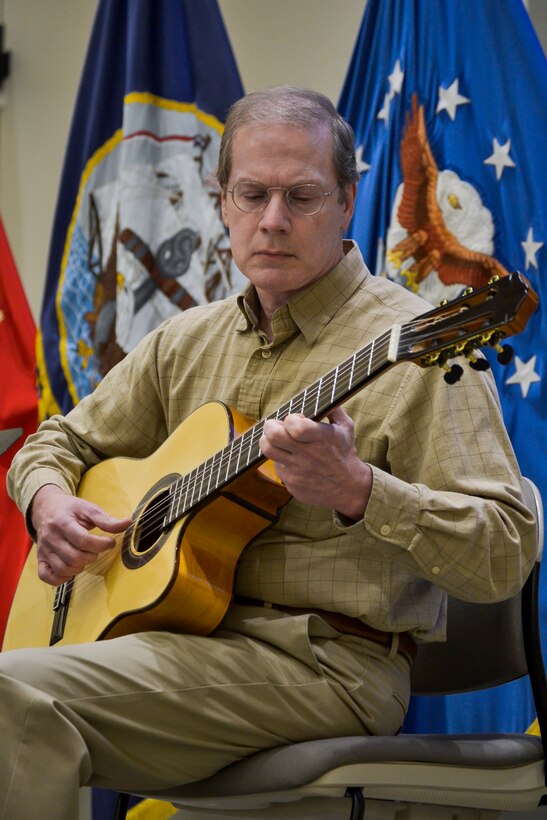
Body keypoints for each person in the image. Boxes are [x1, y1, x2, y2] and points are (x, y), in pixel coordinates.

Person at [0, 86, 536, 817]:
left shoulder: (416, 346)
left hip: (325, 666)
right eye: (251, 195)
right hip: (175, 642)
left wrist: (359, 490)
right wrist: (48, 501)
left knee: (13, 698)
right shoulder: (186, 343)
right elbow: (56, 441)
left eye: (302, 197)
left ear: (348, 201)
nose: (272, 221)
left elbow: (506, 549)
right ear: (221, 201)